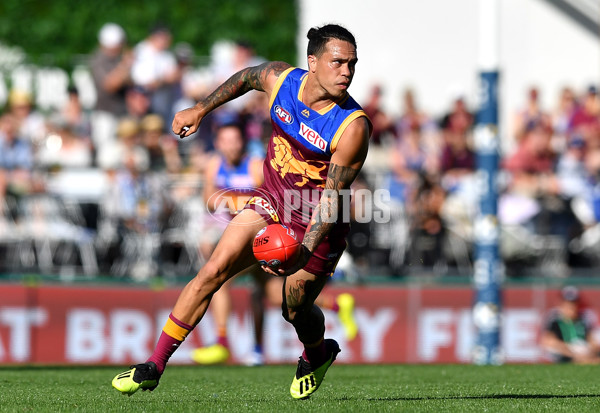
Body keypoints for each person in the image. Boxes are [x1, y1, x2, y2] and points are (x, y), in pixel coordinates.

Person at [112, 24, 371, 400]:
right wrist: (201, 108)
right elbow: (246, 78)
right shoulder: (280, 80)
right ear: (312, 62)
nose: (346, 72)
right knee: (211, 272)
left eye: (352, 64)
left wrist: (304, 247)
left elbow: (333, 199)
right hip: (270, 201)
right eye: (338, 62)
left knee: (294, 309)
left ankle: (318, 352)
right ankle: (153, 365)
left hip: (317, 222)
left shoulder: (352, 126)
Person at [540, 286, 600, 364]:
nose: (571, 307)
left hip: (583, 351)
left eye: (573, 303)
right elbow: (548, 341)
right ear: (561, 303)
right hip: (564, 354)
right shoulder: (554, 318)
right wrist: (572, 353)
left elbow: (592, 340)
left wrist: (589, 352)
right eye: (567, 303)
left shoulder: (584, 318)